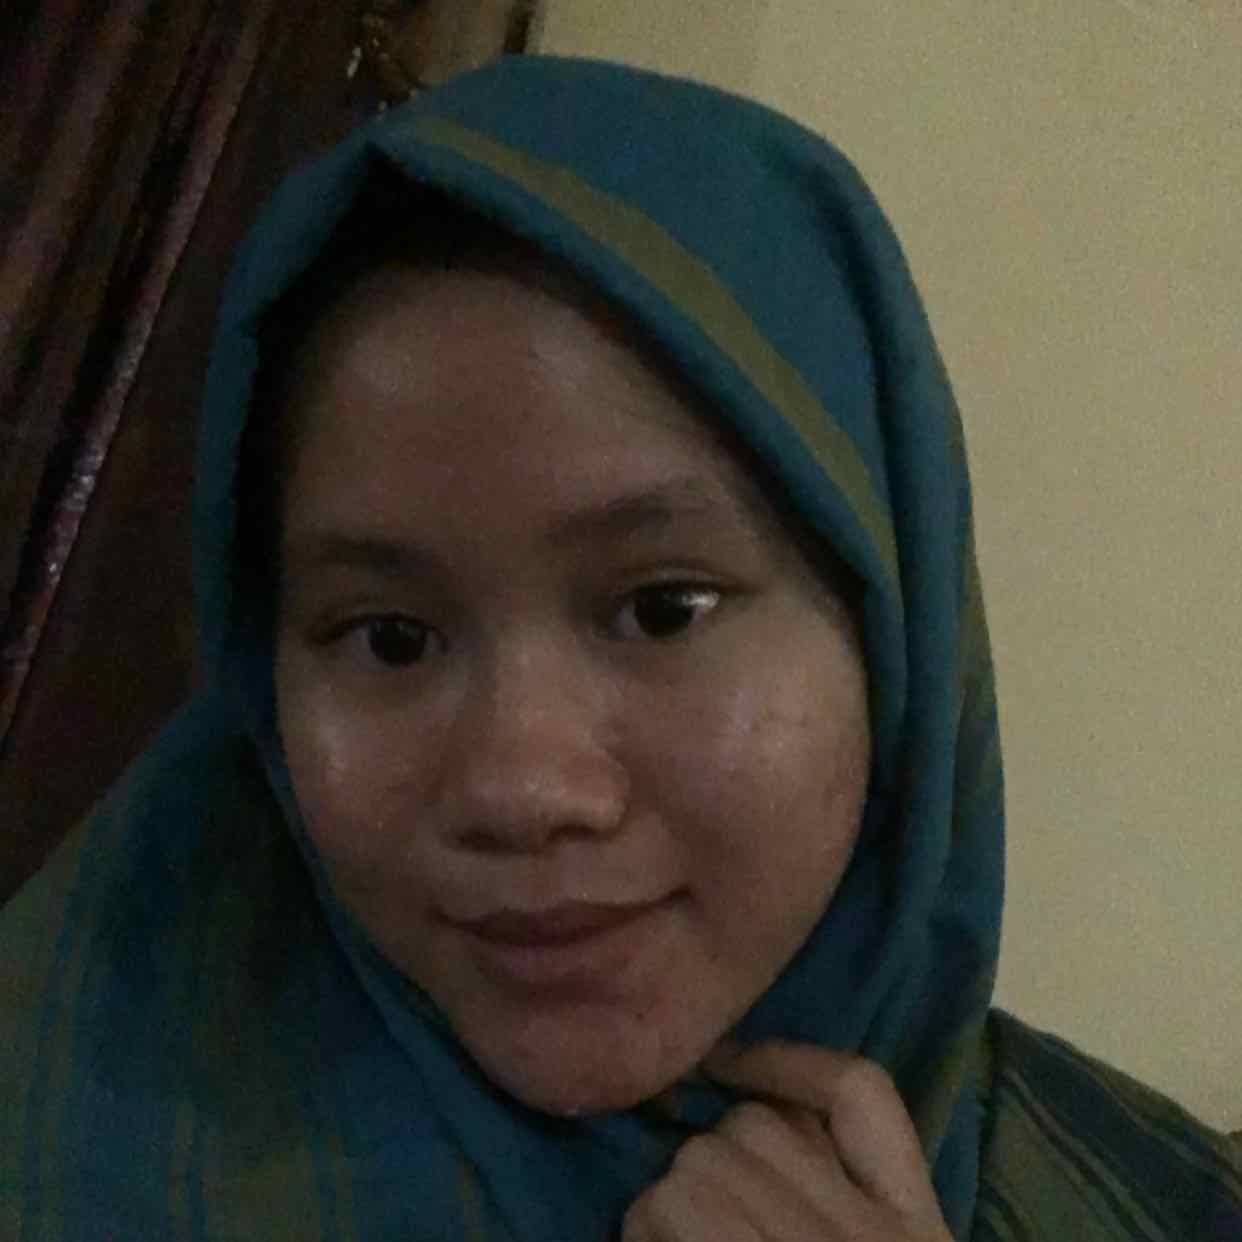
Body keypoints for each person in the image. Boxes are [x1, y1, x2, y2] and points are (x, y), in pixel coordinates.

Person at [1, 54, 1237, 1242]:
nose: (520, 790)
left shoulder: (1162, 1200)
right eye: (390, 638)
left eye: (663, 609)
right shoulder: (68, 1135)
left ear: (891, 630)